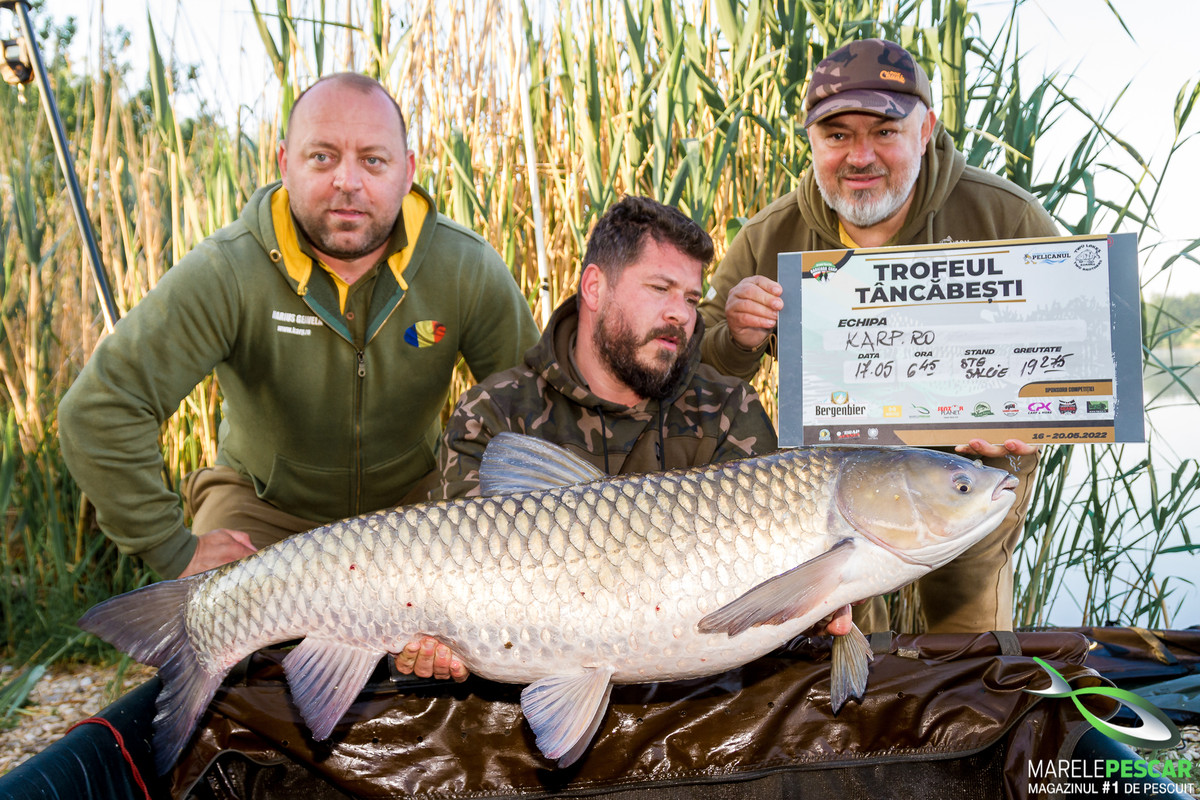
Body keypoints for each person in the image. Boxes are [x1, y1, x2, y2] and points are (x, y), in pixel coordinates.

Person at [58, 72, 539, 584]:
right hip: (263, 510)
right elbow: (101, 407)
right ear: (285, 165)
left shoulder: (464, 266)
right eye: (322, 157)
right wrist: (172, 549)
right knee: (209, 621)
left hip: (411, 510)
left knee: (478, 628)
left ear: (408, 171)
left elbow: (539, 411)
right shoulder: (229, 269)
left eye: (373, 160)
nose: (347, 181)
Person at [697, 38, 1053, 634]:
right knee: (842, 635)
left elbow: (1079, 346)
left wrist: (1034, 419)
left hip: (965, 468)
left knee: (968, 642)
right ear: (811, 140)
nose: (860, 156)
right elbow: (699, 367)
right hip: (830, 484)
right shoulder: (769, 234)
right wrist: (736, 336)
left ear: (926, 130)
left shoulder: (1004, 217)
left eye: (884, 131)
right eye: (837, 135)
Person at [393, 196, 787, 681]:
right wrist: (431, 639)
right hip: (528, 672)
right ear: (595, 287)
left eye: (690, 297)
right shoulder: (495, 414)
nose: (681, 315)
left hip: (695, 692)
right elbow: (464, 583)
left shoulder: (729, 411)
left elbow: (764, 584)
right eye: (660, 288)